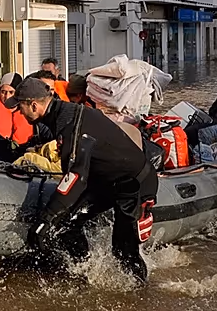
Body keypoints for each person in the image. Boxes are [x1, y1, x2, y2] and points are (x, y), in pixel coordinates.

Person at [15, 78, 158, 284]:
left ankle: (140, 294)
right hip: (106, 180)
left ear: (34, 105)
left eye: (20, 107)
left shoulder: (71, 123)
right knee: (67, 223)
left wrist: (45, 219)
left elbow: (75, 178)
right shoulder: (60, 115)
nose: (19, 113)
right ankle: (84, 274)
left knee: (123, 250)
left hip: (134, 184)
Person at [0, 72, 52, 164]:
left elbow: (49, 139)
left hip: (28, 164)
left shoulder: (33, 113)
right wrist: (0, 165)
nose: (7, 96)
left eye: (11, 92)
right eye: (3, 92)